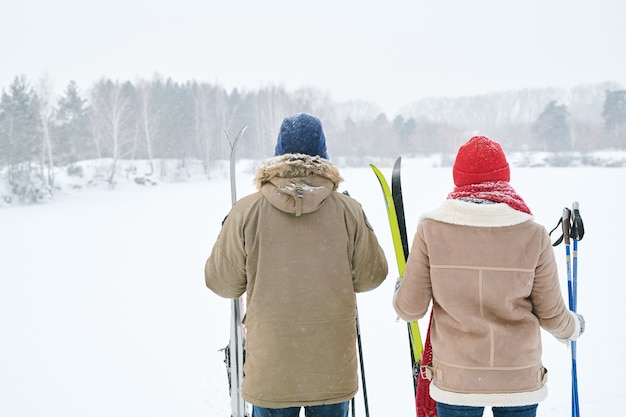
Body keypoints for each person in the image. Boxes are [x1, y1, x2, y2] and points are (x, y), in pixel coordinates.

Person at [205, 113, 388, 417]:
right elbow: (371, 277)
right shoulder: (348, 211)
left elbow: (222, 283)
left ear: (278, 153)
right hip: (332, 370)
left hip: (271, 369)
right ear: (324, 154)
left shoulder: (246, 212)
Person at [393, 135, 585, 417]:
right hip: (518, 378)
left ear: (458, 178)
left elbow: (410, 309)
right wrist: (575, 327)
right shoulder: (533, 235)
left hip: (457, 380)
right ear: (504, 176)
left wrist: (402, 289)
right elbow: (553, 316)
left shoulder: (431, 230)